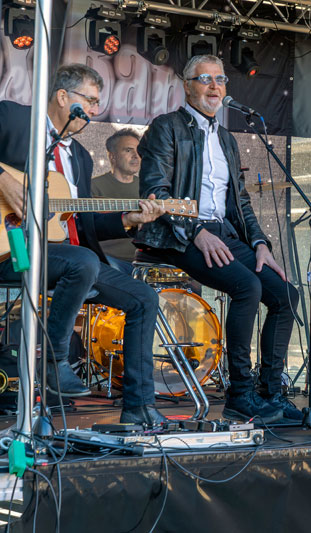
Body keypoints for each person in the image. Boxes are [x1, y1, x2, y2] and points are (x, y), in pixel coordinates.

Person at [0, 64, 167, 425]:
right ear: (63, 97)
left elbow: (83, 221)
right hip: (11, 248)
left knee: (144, 297)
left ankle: (140, 409)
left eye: (96, 103)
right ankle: (54, 358)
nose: (94, 111)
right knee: (84, 262)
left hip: (68, 256)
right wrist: (5, 182)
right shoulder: (13, 117)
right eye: (90, 101)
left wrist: (127, 220)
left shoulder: (79, 156)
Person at [137, 55, 300, 423]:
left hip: (222, 233)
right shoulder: (166, 127)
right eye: (205, 79)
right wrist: (196, 231)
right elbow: (155, 191)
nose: (214, 86)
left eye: (221, 79)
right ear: (187, 85)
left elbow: (239, 203)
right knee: (247, 288)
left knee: (287, 295)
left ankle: (270, 392)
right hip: (177, 235)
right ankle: (240, 394)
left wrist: (260, 244)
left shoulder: (226, 137)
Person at [92, 128, 142, 270]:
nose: (136, 155)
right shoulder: (93, 186)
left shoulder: (148, 188)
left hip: (143, 261)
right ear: (112, 157)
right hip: (107, 260)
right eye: (128, 150)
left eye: (138, 151)